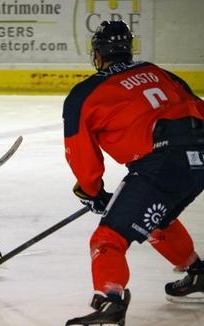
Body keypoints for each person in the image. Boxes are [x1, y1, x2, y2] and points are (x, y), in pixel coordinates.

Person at [63, 20, 204, 325]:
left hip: (163, 163)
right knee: (153, 216)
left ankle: (110, 301)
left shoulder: (85, 93)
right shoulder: (159, 72)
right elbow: (198, 106)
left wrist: (91, 192)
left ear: (97, 54)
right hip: (199, 157)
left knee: (108, 237)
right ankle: (197, 274)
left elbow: (81, 154)